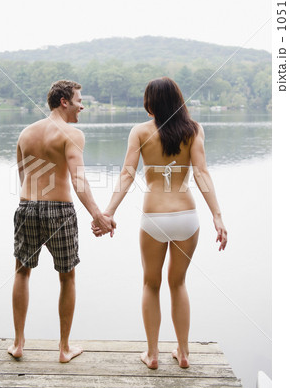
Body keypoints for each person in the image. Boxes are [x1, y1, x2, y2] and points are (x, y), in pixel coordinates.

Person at [92, 77, 227, 369]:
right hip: (186, 216)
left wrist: (109, 212)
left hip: (154, 218)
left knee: (151, 284)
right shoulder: (194, 130)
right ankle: (184, 353)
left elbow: (127, 175)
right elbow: (202, 174)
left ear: (150, 103)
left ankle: (152, 355)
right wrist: (217, 215)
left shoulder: (140, 131)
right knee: (178, 283)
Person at [8, 80, 115, 362]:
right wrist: (98, 215)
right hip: (60, 211)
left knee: (21, 272)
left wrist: (31, 202)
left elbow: (22, 177)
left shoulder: (25, 133)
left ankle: (18, 344)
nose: (83, 105)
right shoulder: (72, 134)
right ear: (64, 101)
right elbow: (78, 180)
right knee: (67, 277)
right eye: (79, 100)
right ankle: (64, 349)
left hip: (27, 206)